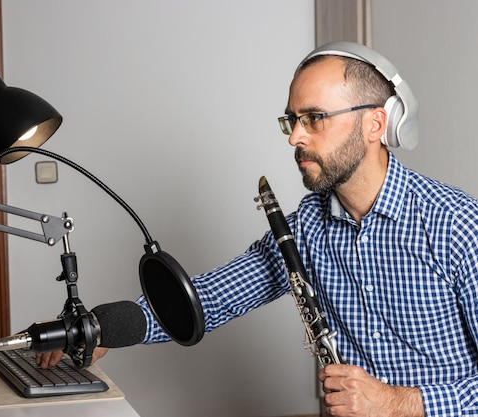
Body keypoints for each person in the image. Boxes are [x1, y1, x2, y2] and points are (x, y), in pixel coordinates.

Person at [38, 42, 478, 417]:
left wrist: (397, 403)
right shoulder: (307, 226)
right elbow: (211, 297)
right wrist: (97, 328)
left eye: (315, 118)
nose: (294, 138)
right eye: (292, 120)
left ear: (375, 124)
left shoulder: (457, 225)